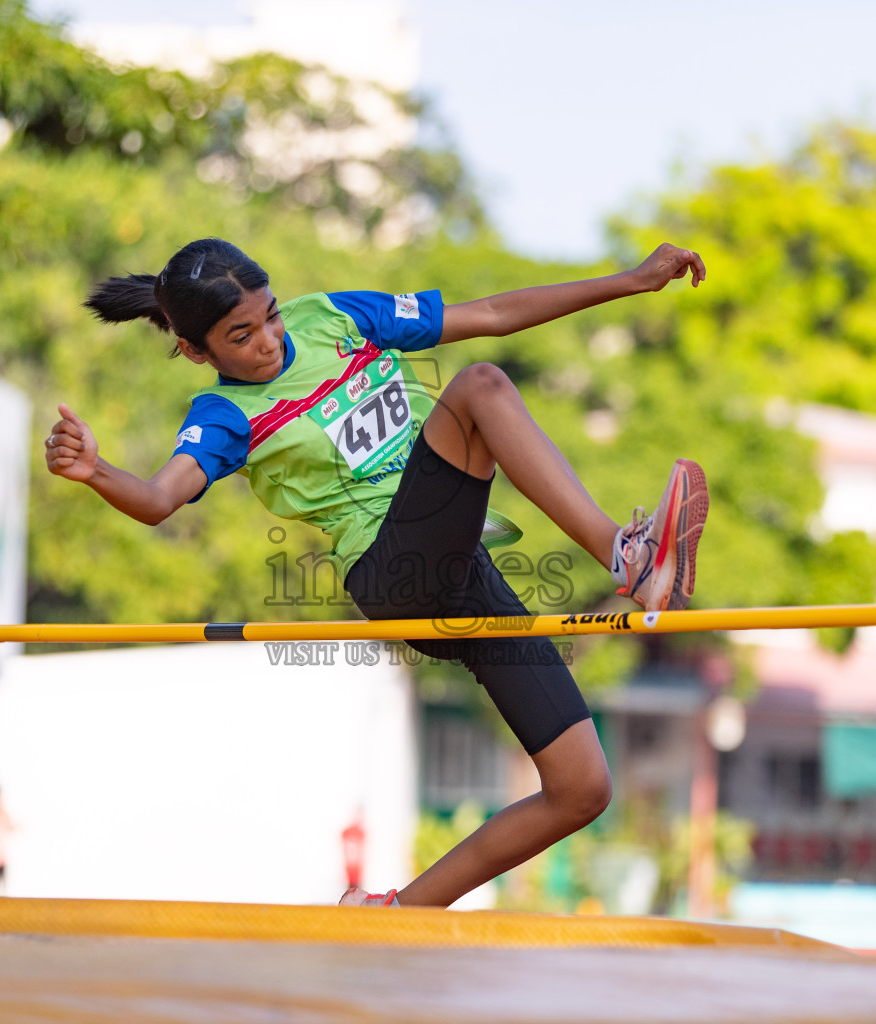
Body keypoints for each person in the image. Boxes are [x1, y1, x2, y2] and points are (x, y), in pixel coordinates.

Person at [47, 237, 709, 908]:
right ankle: (627, 557)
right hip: (392, 573)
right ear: (197, 352)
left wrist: (630, 281)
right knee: (480, 387)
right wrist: (94, 470)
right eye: (240, 336)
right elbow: (161, 499)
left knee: (581, 788)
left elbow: (493, 312)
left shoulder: (333, 319)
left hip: (459, 571)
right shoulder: (225, 415)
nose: (269, 342)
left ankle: (397, 912)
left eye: (270, 315)